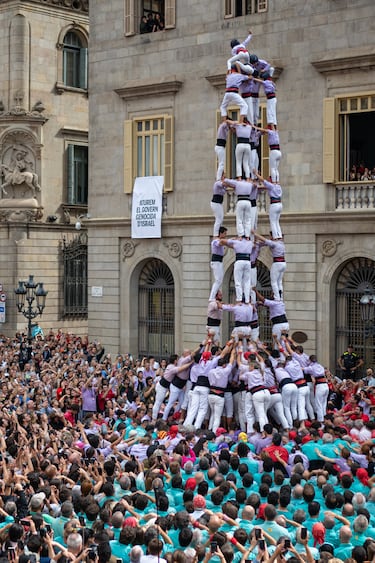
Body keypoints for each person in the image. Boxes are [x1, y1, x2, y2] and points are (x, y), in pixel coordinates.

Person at [252, 230, 286, 300]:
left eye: (270, 236)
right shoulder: (281, 243)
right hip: (283, 263)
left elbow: (265, 240)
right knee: (279, 281)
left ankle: (277, 297)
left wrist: (255, 234)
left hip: (277, 263)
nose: (270, 238)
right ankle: (280, 295)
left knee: (274, 282)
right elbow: (265, 242)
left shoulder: (274, 243)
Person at [220, 236, 253, 303]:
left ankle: (239, 299)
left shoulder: (236, 242)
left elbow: (222, 241)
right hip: (247, 262)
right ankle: (247, 299)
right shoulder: (250, 243)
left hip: (239, 261)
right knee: (247, 281)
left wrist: (233, 238)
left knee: (238, 281)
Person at [209, 226, 227, 301]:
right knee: (218, 280)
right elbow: (220, 243)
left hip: (219, 262)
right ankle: (212, 297)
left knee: (220, 280)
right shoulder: (216, 241)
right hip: (216, 262)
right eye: (225, 233)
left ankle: (216, 295)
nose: (225, 235)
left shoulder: (220, 240)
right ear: (221, 233)